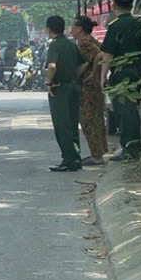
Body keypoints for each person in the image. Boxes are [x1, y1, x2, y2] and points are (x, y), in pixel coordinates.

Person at [100, 0, 141, 161]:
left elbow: (108, 54)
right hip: (139, 71)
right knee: (133, 109)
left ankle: (130, 148)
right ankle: (133, 146)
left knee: (124, 111)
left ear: (114, 4)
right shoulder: (140, 24)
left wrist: (102, 77)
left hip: (121, 73)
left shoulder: (115, 26)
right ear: (132, 4)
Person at [43, 15, 87, 171]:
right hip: (73, 87)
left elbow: (52, 66)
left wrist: (49, 83)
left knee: (62, 125)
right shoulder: (70, 44)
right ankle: (75, 159)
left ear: (49, 30)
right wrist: (74, 75)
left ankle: (68, 160)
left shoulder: (55, 45)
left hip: (59, 88)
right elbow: (84, 62)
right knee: (72, 123)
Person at [71, 15, 109, 165]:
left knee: (88, 119)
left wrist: (91, 72)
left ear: (80, 28)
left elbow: (99, 56)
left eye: (73, 26)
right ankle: (100, 151)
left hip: (87, 86)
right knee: (97, 118)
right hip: (94, 86)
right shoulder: (89, 40)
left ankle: (96, 154)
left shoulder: (85, 43)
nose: (71, 29)